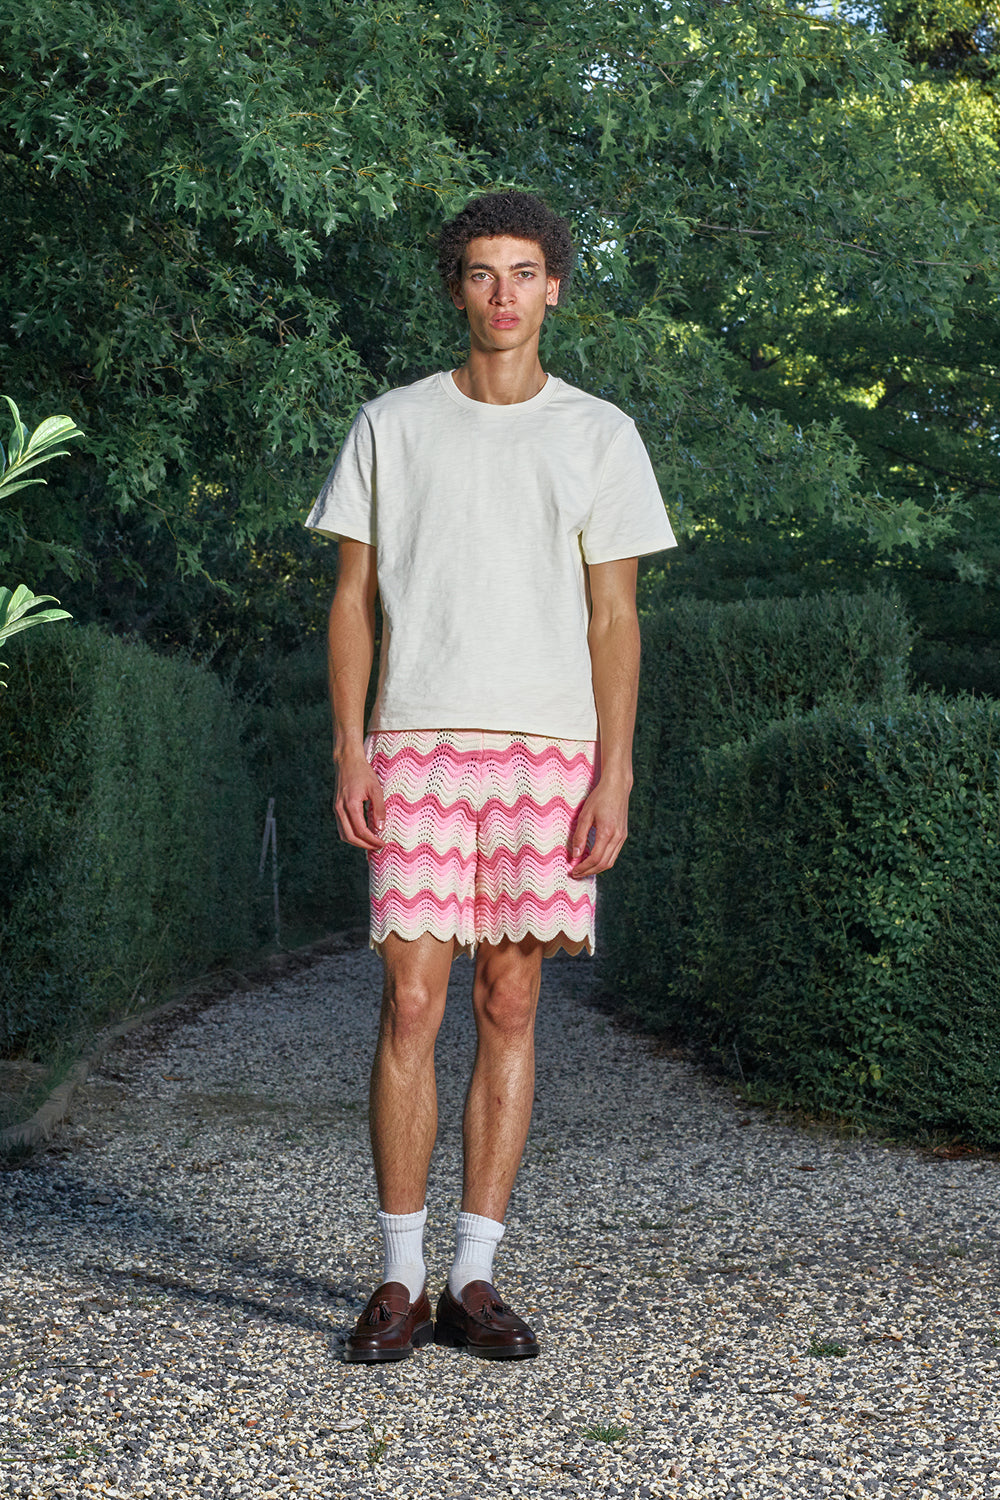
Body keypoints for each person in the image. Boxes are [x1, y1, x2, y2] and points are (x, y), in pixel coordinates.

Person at [306, 189, 676, 1363]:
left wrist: (613, 773)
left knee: (509, 1004)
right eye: (481, 272)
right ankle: (399, 1279)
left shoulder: (600, 434)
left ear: (555, 286)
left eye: (524, 271)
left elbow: (615, 620)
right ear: (456, 287)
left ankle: (475, 1278)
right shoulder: (392, 424)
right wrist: (349, 745)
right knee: (411, 1004)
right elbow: (351, 601)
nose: (504, 292)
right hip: (416, 744)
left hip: (548, 754)